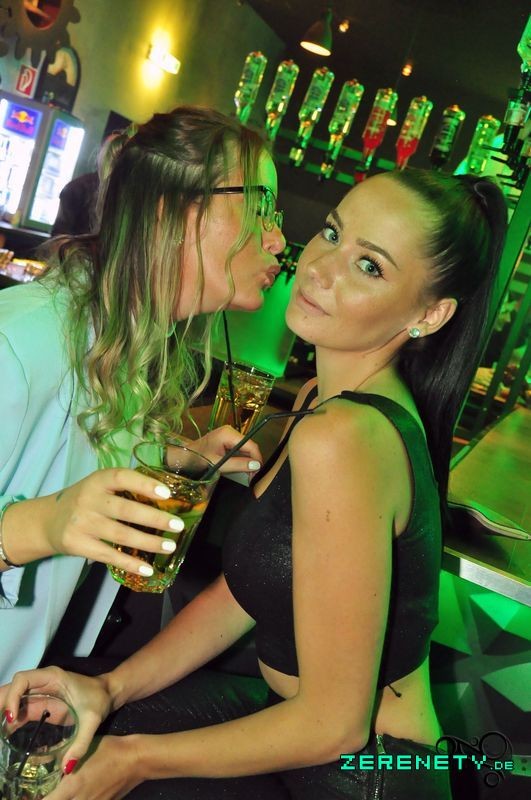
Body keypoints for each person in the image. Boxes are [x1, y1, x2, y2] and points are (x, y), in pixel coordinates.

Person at [0, 169, 507, 800]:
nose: (320, 268)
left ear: (430, 314)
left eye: (369, 266)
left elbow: (336, 725)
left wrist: (133, 761)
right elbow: (242, 595)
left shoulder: (346, 437)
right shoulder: (323, 401)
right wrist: (110, 688)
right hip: (295, 728)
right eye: (332, 233)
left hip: (363, 775)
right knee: (72, 731)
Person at [0, 105, 285, 683]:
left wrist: (177, 458)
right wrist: (42, 526)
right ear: (171, 211)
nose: (278, 238)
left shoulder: (127, 342)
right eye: (260, 208)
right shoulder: (19, 340)